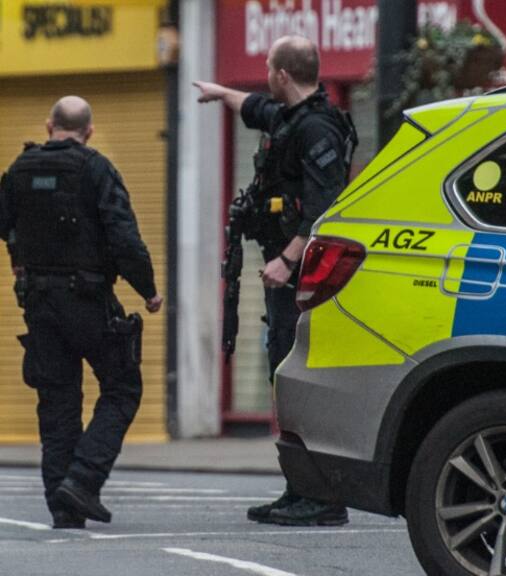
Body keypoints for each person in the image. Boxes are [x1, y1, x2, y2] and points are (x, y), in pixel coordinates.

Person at [194, 35, 355, 527]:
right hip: (285, 278)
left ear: (282, 74)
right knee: (283, 379)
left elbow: (326, 207)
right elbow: (256, 108)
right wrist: (222, 93)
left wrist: (287, 259)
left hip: (303, 278)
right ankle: (299, 488)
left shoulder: (317, 129)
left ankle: (322, 498)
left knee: (300, 384)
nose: (265, 76)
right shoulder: (290, 118)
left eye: (268, 67)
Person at [0, 96, 163, 529]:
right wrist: (148, 290)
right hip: (87, 301)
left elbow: (5, 224)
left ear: (48, 125)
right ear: (88, 131)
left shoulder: (19, 169)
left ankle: (63, 505)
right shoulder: (96, 169)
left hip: (39, 304)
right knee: (123, 387)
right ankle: (84, 480)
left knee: (57, 403)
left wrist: (20, 257)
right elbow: (124, 238)